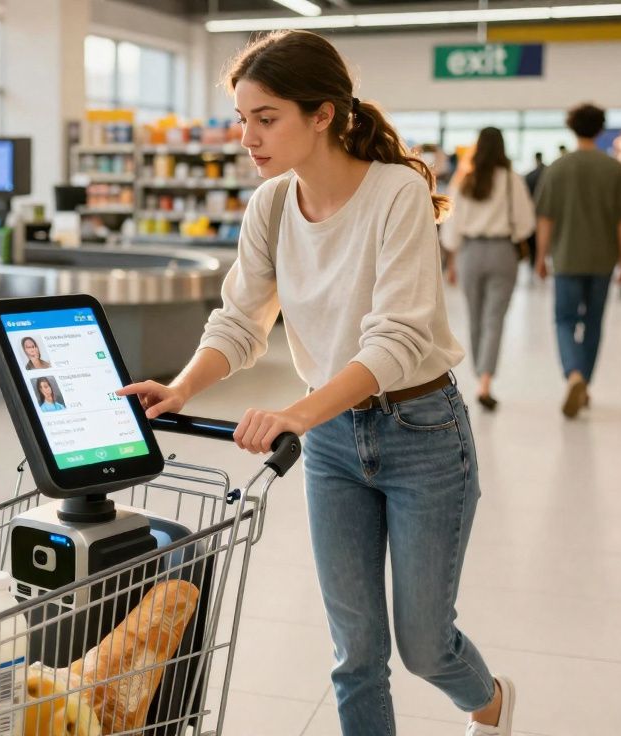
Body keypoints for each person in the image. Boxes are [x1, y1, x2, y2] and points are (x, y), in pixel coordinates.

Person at [117, 30, 514, 736]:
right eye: (243, 119)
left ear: (323, 114)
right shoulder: (271, 206)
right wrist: (183, 388)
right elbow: (240, 322)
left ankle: (489, 702)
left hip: (422, 431)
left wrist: (296, 413)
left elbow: (396, 342)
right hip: (333, 443)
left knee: (425, 644)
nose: (248, 138)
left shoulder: (396, 193)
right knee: (355, 653)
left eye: (266, 119)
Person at [534, 103, 621, 418]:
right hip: (602, 260)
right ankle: (585, 384)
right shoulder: (614, 168)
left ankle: (574, 375)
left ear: (572, 128)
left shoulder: (557, 168)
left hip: (567, 258)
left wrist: (540, 257)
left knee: (565, 321)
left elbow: (545, 218)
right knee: (593, 323)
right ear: (600, 129)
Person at [442, 127, 535, 410]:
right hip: (502, 252)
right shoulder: (512, 180)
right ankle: (485, 381)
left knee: (475, 315)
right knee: (495, 319)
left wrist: (453, 261)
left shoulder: (465, 179)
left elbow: (451, 228)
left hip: (470, 252)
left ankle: (478, 372)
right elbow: (526, 224)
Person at [522, 152, 547, 267]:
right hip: (547, 212)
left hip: (532, 212)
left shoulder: (529, 176)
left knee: (533, 240)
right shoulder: (548, 173)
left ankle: (534, 261)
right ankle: (541, 259)